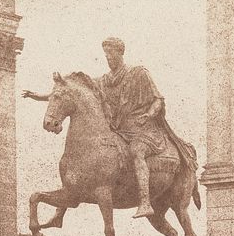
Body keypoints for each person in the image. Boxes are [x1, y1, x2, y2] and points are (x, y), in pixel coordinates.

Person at [23, 37, 179, 218]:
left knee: (137, 150)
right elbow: (67, 92)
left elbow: (158, 100)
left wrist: (148, 115)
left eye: (111, 54)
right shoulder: (104, 81)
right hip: (119, 130)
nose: (108, 58)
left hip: (142, 128)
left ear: (120, 53)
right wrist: (40, 96)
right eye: (106, 55)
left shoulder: (138, 73)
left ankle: (145, 202)